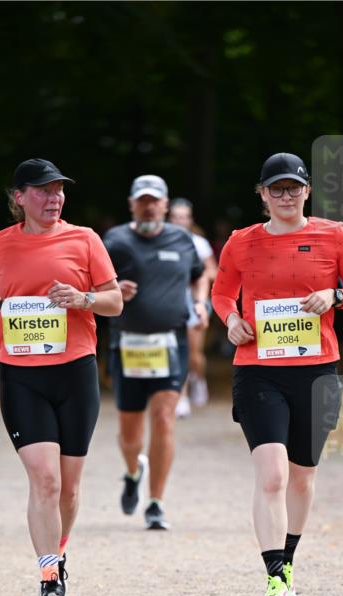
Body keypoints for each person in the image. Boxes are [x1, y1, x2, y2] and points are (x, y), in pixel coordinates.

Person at [211, 152, 343, 596]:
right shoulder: (241, 242)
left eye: (294, 187)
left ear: (307, 191)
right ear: (263, 194)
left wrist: (334, 295)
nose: (286, 196)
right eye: (276, 189)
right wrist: (231, 320)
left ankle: (289, 561)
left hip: (316, 371)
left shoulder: (333, 234)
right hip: (258, 370)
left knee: (302, 477)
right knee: (273, 476)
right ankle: (275, 577)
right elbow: (221, 293)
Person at [0, 158, 122, 596]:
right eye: (43, 190)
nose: (54, 198)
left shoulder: (85, 239)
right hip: (21, 375)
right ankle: (48, 577)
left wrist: (83, 299)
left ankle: (59, 550)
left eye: (58, 190)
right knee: (45, 479)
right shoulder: (0, 244)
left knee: (69, 488)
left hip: (75, 372)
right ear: (19, 197)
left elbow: (114, 301)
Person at [103, 175, 208, 530]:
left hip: (170, 342)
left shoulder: (181, 239)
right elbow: (91, 285)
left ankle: (155, 503)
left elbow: (199, 275)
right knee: (130, 433)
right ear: (132, 204)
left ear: (165, 205)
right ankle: (133, 471)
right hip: (127, 343)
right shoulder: (115, 240)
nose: (149, 207)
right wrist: (114, 290)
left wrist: (199, 302)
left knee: (164, 418)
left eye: (155, 201)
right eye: (142, 201)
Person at [168, 198, 217, 414]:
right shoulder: (161, 241)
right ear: (170, 219)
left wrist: (194, 277)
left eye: (184, 217)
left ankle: (198, 377)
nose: (180, 221)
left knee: (193, 354)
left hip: (195, 300)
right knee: (176, 349)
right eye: (176, 217)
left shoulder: (199, 243)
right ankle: (182, 396)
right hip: (171, 300)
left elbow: (213, 271)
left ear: (190, 219)